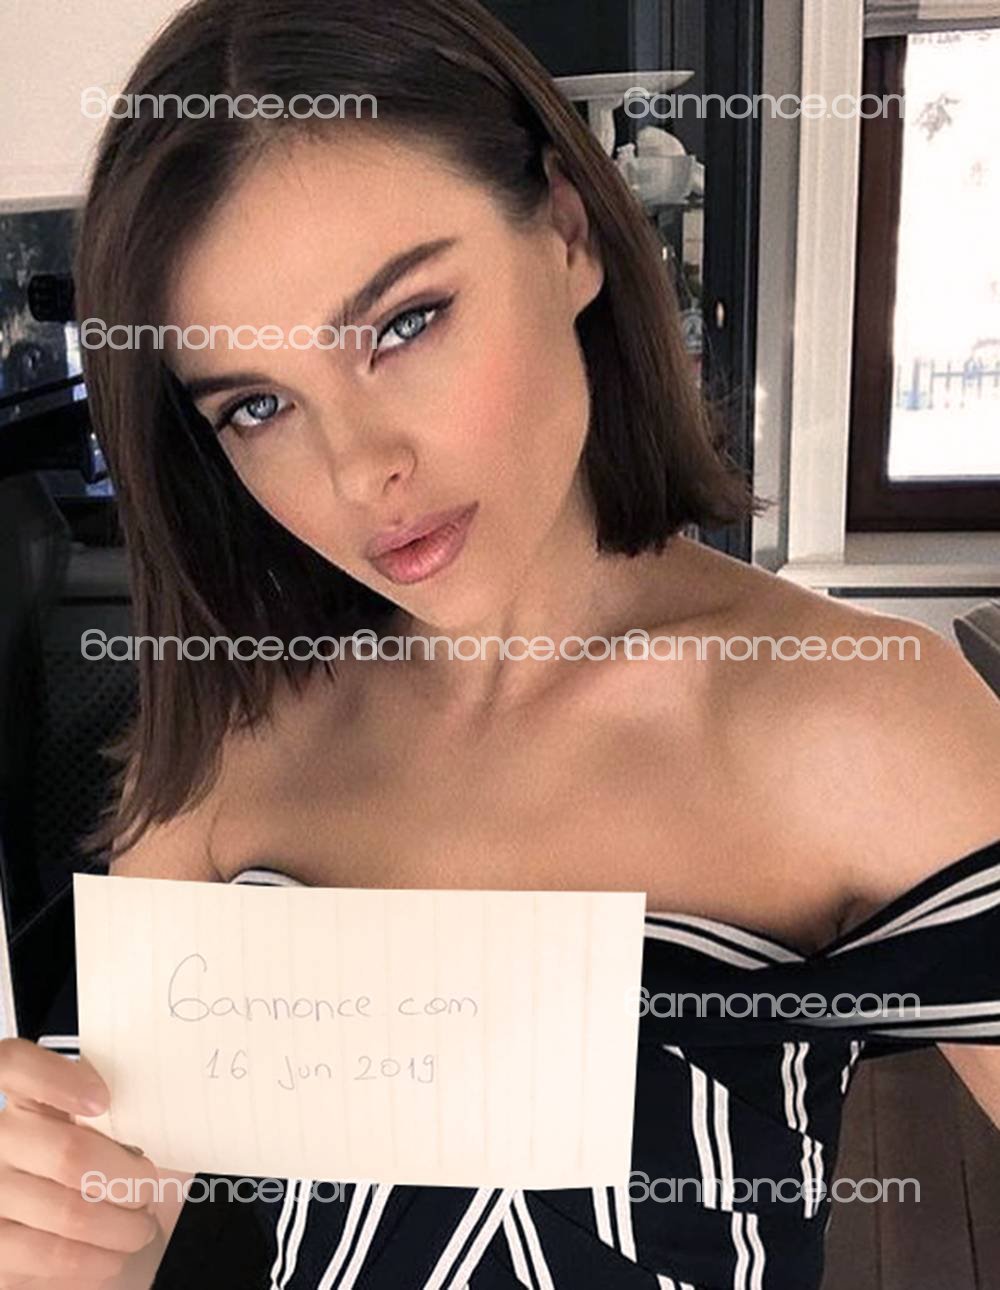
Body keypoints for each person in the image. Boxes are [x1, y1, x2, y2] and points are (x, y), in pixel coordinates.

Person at [1, 1, 998, 1287]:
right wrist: (52, 1230)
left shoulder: (861, 720)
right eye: (257, 405)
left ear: (569, 235)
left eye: (403, 323)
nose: (359, 469)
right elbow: (105, 1234)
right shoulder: (231, 737)